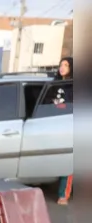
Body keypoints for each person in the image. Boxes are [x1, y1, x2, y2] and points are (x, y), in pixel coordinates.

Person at [53, 57, 73, 205]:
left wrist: (58, 107)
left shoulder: (72, 86)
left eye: (66, 65)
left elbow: (69, 107)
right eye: (61, 64)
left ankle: (63, 195)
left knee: (67, 162)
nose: (62, 67)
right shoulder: (54, 84)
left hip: (67, 127)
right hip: (50, 125)